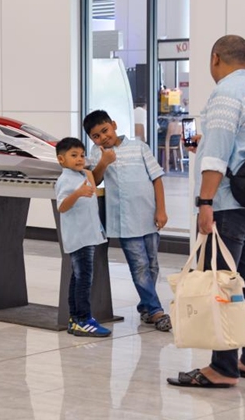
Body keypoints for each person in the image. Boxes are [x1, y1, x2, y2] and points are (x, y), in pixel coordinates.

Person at [167, 35, 245, 389]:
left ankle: (223, 368)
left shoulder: (226, 93)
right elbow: (244, 148)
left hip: (226, 204)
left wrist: (205, 203)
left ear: (215, 59)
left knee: (218, 282)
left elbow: (218, 156)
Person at [84, 110, 172, 333]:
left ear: (113, 125)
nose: (103, 137)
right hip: (124, 221)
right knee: (139, 265)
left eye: (105, 131)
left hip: (149, 216)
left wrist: (161, 210)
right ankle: (156, 310)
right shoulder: (97, 153)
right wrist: (103, 162)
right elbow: (94, 180)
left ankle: (145, 306)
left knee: (152, 264)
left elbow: (157, 178)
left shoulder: (140, 146)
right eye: (96, 135)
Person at [54, 137, 110, 337]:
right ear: (61, 159)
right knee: (84, 279)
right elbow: (61, 206)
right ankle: (82, 319)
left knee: (78, 278)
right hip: (79, 238)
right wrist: (76, 194)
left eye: (82, 155)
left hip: (88, 235)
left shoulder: (81, 175)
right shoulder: (65, 180)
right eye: (74, 155)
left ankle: (76, 318)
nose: (80, 159)